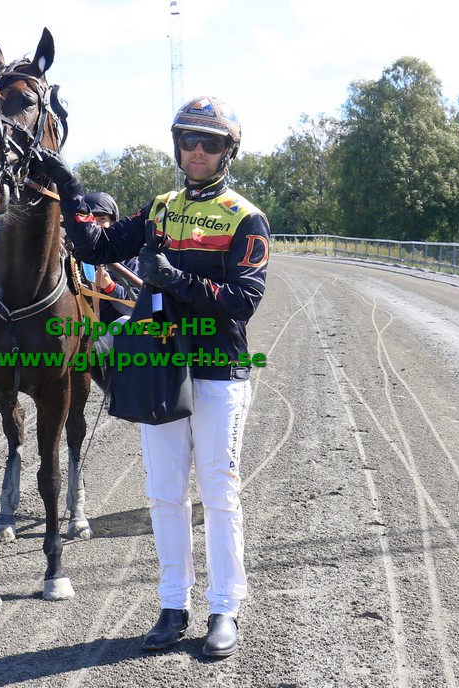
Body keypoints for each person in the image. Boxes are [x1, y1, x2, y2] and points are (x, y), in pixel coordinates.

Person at [34, 96, 270, 657]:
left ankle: (224, 609)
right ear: (177, 146)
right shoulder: (159, 209)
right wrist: (68, 185)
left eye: (210, 142)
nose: (197, 151)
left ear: (228, 152)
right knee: (164, 493)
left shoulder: (247, 218)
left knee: (219, 493)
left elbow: (244, 300)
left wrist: (174, 280)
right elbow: (94, 246)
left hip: (217, 371)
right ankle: (172, 605)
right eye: (189, 140)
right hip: (162, 369)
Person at [83, 191, 138, 325]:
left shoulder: (129, 258)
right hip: (78, 326)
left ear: (113, 222)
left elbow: (137, 307)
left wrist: (110, 287)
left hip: (114, 329)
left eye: (102, 219)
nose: (96, 225)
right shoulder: (72, 257)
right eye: (91, 219)